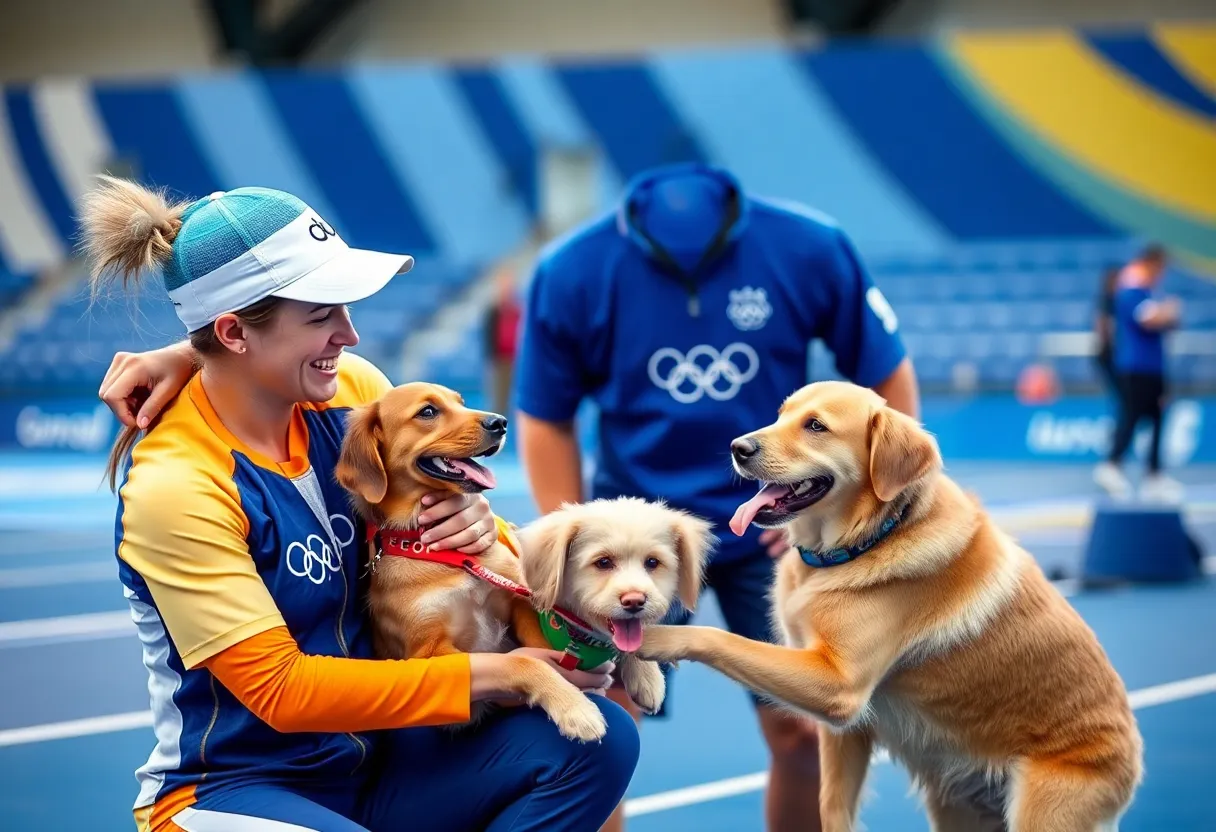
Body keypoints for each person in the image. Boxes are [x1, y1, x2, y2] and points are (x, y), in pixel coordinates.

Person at [82, 177, 639, 832]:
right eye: (321, 315)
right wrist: (507, 673)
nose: (349, 333)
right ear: (233, 332)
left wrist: (475, 524)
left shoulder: (350, 392)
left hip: (377, 759)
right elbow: (282, 694)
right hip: (234, 787)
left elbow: (450, 532)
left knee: (597, 741)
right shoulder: (177, 486)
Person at [513, 162, 920, 832]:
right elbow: (546, 416)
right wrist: (571, 534)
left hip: (775, 526)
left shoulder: (810, 247)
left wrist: (846, 507)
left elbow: (885, 379)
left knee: (803, 729)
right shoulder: (573, 269)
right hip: (633, 536)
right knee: (603, 730)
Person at [1093, 244, 1184, 502]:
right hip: (1136, 367)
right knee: (1131, 415)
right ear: (1152, 263)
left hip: (1153, 367)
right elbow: (1148, 319)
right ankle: (1111, 464)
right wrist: (1168, 311)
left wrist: (1166, 315)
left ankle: (1153, 474)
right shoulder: (1132, 287)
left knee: (1156, 417)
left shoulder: (1146, 290)